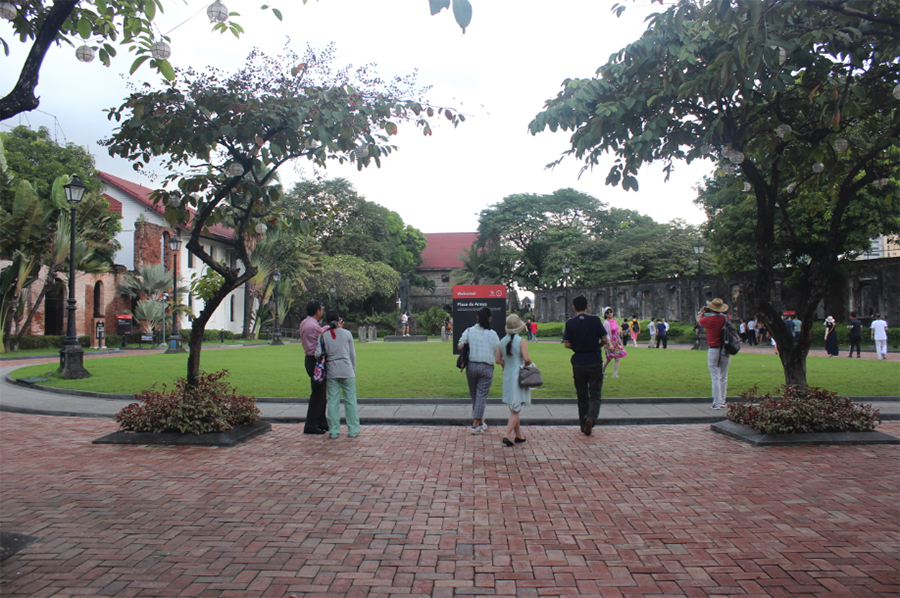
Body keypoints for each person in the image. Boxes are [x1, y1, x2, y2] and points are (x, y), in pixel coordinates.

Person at [563, 296, 609, 436]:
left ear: (574, 307)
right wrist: (596, 346)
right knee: (595, 393)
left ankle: (583, 424)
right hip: (594, 359)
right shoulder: (595, 320)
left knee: (581, 394)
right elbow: (605, 339)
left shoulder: (570, 323)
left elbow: (567, 343)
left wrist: (578, 347)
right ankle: (591, 418)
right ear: (587, 306)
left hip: (578, 360)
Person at [316, 310, 359, 438]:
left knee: (333, 401)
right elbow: (352, 355)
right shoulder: (347, 334)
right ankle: (353, 429)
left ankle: (334, 430)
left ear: (327, 322)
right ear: (339, 320)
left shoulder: (324, 335)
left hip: (332, 370)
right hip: (347, 369)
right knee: (350, 401)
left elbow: (317, 354)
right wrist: (353, 369)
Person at [458, 307, 500, 434]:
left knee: (475, 396)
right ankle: (476, 424)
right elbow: (498, 350)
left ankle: (480, 421)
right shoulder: (493, 334)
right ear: (490, 318)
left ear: (477, 317)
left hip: (472, 366)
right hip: (487, 367)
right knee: (481, 396)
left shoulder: (469, 331)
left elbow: (460, 346)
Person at [495, 314, 532, 446]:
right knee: (516, 408)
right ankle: (506, 435)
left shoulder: (502, 341)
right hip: (519, 375)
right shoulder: (521, 341)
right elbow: (527, 359)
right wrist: (529, 365)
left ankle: (519, 435)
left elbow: (498, 359)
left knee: (514, 407)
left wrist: (506, 364)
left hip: (508, 375)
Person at [299, 300, 331, 435]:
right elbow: (321, 332)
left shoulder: (304, 323)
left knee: (320, 392)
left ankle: (321, 422)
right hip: (316, 361)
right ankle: (311, 424)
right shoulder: (314, 326)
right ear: (318, 311)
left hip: (309, 359)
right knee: (318, 393)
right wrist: (332, 326)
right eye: (321, 310)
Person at [697, 298, 732, 410]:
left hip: (714, 349)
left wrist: (701, 313)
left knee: (715, 376)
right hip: (725, 349)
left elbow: (699, 321)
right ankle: (722, 400)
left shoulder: (708, 320)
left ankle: (716, 402)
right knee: (723, 376)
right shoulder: (727, 318)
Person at [601, 307, 627, 377]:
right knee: (608, 358)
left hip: (616, 341)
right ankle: (602, 371)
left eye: (611, 312)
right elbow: (607, 334)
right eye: (607, 312)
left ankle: (615, 373)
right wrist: (610, 344)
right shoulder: (606, 323)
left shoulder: (614, 320)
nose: (610, 314)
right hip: (610, 342)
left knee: (617, 357)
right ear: (605, 314)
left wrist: (620, 332)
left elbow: (616, 329)